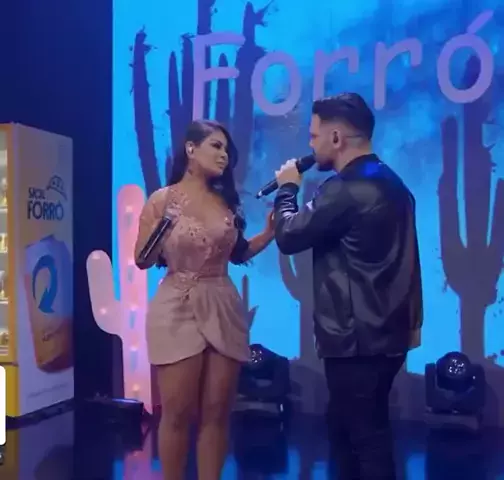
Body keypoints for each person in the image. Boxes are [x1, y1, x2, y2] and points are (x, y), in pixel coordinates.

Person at [273, 93, 423, 480]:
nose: (310, 145)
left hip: (356, 339)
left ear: (336, 137)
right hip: (386, 335)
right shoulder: (395, 184)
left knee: (366, 440)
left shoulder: (345, 188)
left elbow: (289, 234)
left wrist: (287, 189)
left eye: (313, 136)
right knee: (350, 432)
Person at [134, 119, 274, 480]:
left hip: (222, 304)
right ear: (190, 149)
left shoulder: (224, 202)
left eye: (226, 149)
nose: (224, 155)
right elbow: (142, 259)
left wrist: (270, 233)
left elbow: (239, 253)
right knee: (178, 412)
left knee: (217, 412)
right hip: (176, 305)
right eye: (216, 146)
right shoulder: (162, 199)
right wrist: (166, 222)